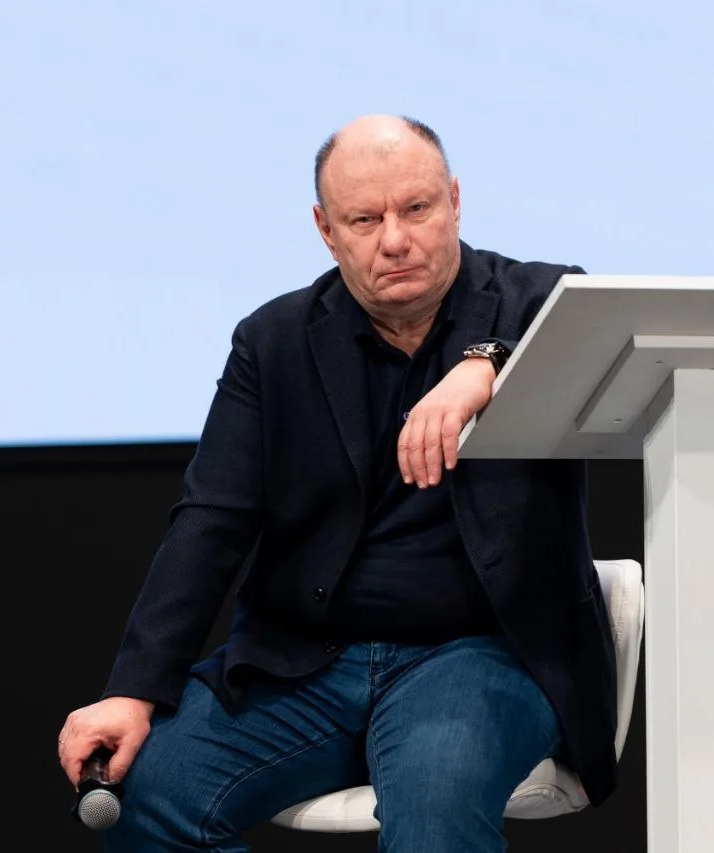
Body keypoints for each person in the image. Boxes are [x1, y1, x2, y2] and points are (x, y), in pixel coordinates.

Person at [57, 114, 618, 852]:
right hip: (307, 663)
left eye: (417, 208)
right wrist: (134, 689)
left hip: (478, 656)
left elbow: (582, 322)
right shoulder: (273, 341)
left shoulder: (537, 301)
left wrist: (486, 364)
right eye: (365, 219)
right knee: (146, 795)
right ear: (327, 231)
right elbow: (211, 521)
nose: (396, 238)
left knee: (436, 810)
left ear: (454, 201)